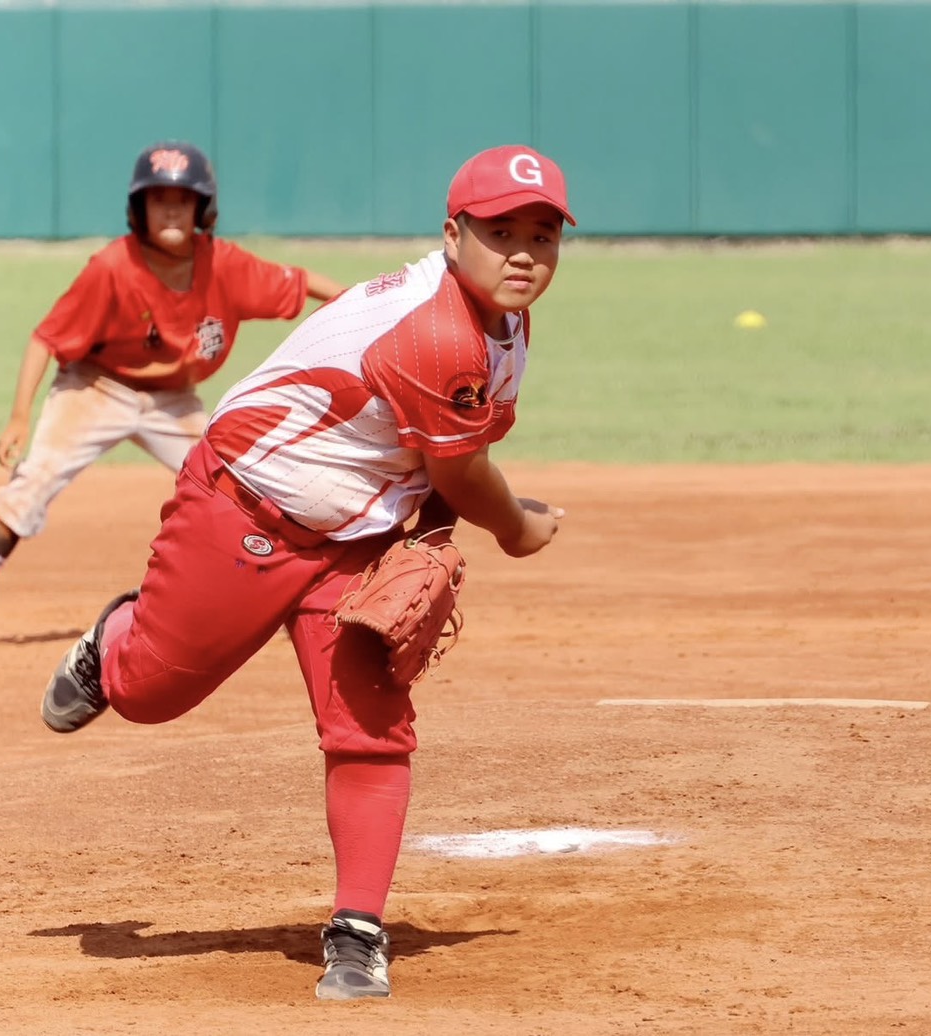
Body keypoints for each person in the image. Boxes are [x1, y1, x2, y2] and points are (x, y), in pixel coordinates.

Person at [37, 144, 573, 1000]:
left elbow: (430, 465)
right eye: (499, 230)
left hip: (351, 539)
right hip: (243, 511)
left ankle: (357, 929)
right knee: (149, 694)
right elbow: (463, 476)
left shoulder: (504, 323)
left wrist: (423, 537)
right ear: (451, 233)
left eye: (542, 234)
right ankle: (113, 640)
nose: (522, 252)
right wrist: (515, 527)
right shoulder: (435, 330)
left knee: (370, 723)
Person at [0, 140, 343, 647]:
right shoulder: (113, 267)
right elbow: (44, 339)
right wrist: (19, 417)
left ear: (202, 208)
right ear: (137, 208)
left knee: (244, 486)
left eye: (182, 198)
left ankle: (295, 603)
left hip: (174, 401)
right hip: (98, 386)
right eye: (157, 198)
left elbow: (303, 282)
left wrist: (361, 310)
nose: (169, 208)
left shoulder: (223, 265)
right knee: (35, 479)